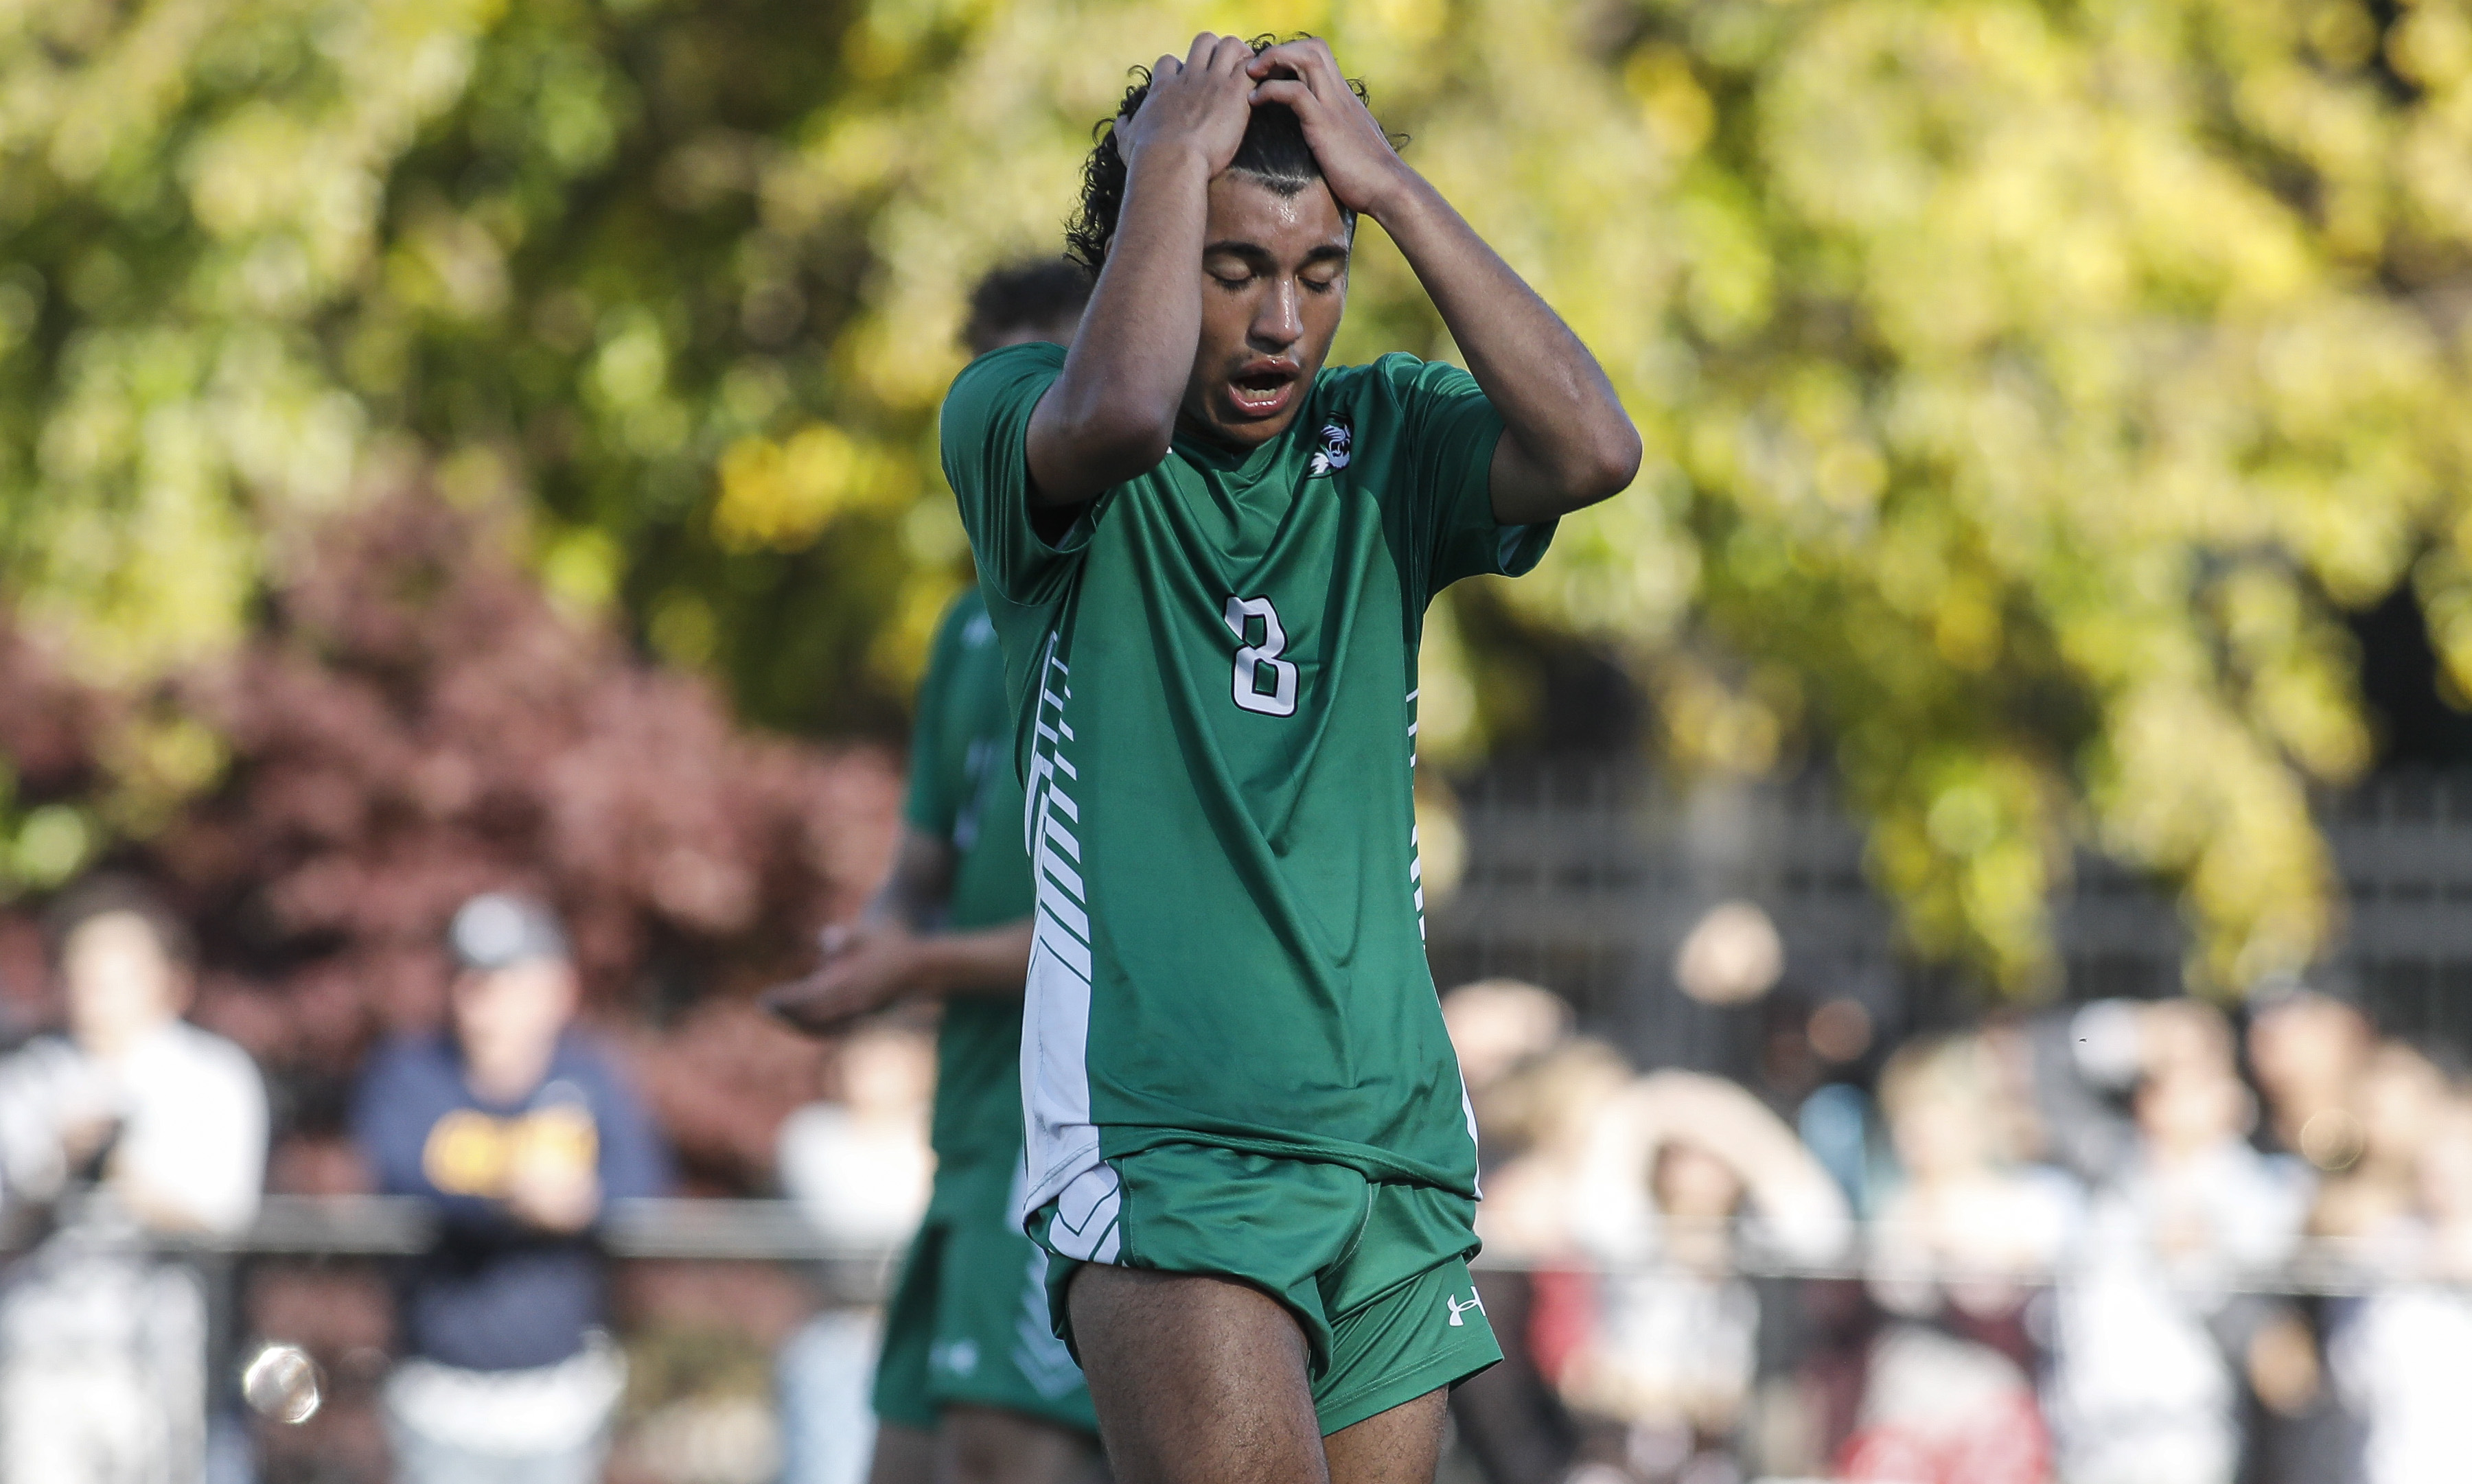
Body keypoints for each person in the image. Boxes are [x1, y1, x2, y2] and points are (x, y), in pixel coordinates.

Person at [943, 31, 1639, 1484]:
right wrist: (1168, 161)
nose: (1280, 322)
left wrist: (1391, 185)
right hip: (1167, 1130)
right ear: (1144, 246)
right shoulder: (1018, 412)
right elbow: (1119, 412)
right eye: (1232, 268)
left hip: (1395, 1134)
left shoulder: (1390, 432)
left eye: (1320, 273)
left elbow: (1594, 448)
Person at [765, 255, 1102, 1484]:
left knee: (1005, 1453)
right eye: (995, 393)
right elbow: (916, 867)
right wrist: (869, 947)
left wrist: (912, 967)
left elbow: (1119, 930)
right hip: (965, 1129)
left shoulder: (1129, 614)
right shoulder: (967, 627)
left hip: (1068, 1135)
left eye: (1050, 386)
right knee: (901, 1459)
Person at [354, 892, 673, 1484]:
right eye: (468, 982)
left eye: (504, 983)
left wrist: (581, 1203)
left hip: (561, 1389)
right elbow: (400, 1174)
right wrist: (511, 1194)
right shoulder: (412, 1071)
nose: (480, 1003)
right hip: (437, 1387)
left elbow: (641, 1182)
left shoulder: (591, 1075)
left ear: (558, 989)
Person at [0, 875, 268, 1484]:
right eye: (83, 974)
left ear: (168, 981)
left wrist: (120, 1169)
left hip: (161, 1354)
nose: (96, 993)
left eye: (116, 975)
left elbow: (227, 1217)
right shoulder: (29, 1078)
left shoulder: (212, 1076)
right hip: (43, 1352)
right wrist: (58, 1163)